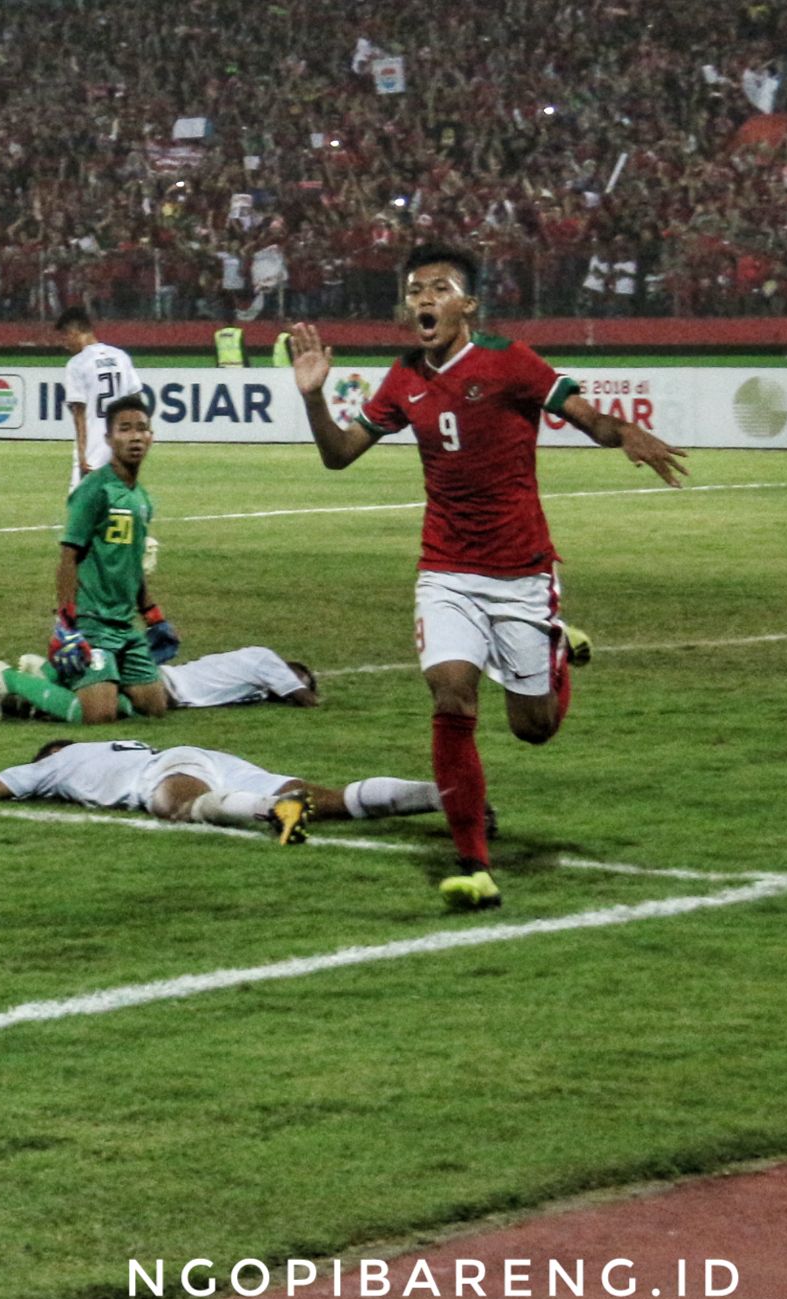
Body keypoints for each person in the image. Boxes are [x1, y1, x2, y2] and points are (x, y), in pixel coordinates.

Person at [289, 241, 688, 910]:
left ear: (467, 304)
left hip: (521, 573)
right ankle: (473, 861)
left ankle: (556, 645)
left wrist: (625, 434)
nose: (423, 298)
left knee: (534, 728)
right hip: (445, 570)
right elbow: (339, 456)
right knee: (451, 698)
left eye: (439, 287)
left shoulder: (510, 361)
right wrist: (313, 399)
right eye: (415, 288)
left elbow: (585, 417)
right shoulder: (402, 378)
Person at [0, 394, 171, 726]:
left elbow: (132, 564)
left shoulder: (142, 499)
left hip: (124, 625)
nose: (134, 437)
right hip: (93, 622)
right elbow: (68, 557)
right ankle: (8, 679)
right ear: (108, 438)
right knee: (99, 715)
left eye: (142, 429)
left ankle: (54, 674)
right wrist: (66, 621)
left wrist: (152, 613)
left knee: (155, 707)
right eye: (125, 429)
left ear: (151, 436)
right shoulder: (94, 490)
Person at [0, 738, 444, 845]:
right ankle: (443, 796)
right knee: (335, 802)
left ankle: (271, 811)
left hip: (168, 768)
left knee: (182, 809)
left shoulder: (60, 761)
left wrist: (33, 776)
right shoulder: (112, 746)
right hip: (207, 758)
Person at [0, 645, 318, 719]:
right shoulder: (268, 661)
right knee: (86, 712)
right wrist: (306, 689)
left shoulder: (250, 671)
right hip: (154, 684)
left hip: (147, 679)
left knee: (41, 691)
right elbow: (304, 698)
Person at [55, 305, 142, 492]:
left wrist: (81, 455)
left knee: (81, 507)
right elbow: (136, 399)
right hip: (121, 445)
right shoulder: (121, 357)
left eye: (65, 336)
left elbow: (79, 414)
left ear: (75, 331)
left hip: (95, 448)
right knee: (117, 503)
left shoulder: (77, 364)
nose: (64, 343)